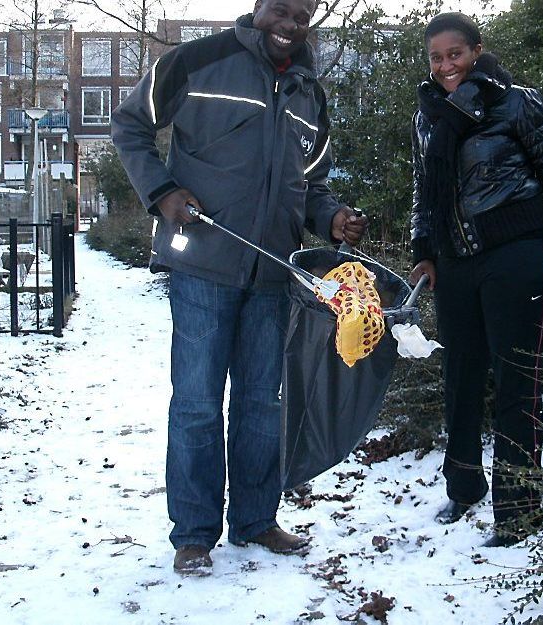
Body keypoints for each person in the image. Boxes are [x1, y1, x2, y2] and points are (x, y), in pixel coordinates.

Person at [110, 0, 368, 576]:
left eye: (301, 15)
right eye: (280, 9)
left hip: (274, 272)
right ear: (257, 9)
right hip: (203, 264)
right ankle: (195, 535)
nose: (290, 24)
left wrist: (332, 220)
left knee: (261, 405)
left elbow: (313, 183)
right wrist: (163, 191)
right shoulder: (198, 61)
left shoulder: (310, 94)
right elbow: (129, 124)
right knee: (198, 404)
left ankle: (255, 521)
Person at [408, 13, 543, 547]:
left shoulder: (517, 101)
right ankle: (463, 486)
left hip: (515, 256)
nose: (445, 66)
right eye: (436, 58)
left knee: (516, 385)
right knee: (460, 379)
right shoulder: (428, 116)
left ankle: (520, 507)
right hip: (455, 264)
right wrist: (424, 251)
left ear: (476, 51)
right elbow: (425, 189)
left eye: (454, 54)